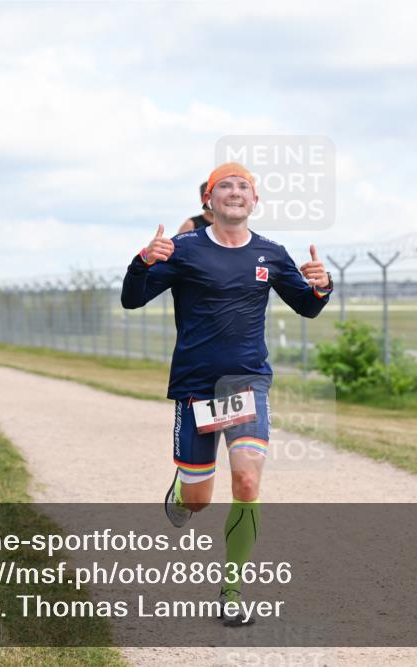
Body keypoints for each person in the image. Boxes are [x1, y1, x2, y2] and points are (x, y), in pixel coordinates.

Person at [122, 162, 333, 626]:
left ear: (255, 201)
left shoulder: (271, 254)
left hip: (247, 383)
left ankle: (232, 590)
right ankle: (184, 492)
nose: (235, 192)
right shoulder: (183, 249)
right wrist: (143, 261)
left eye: (244, 186)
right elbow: (132, 299)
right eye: (225, 186)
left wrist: (323, 287)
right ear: (208, 200)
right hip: (196, 387)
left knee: (247, 482)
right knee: (199, 499)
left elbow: (308, 306)